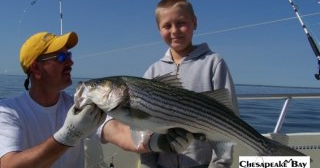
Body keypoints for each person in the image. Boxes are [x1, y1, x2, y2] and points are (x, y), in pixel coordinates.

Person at [0, 31, 194, 168]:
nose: (70, 61)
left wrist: (157, 143)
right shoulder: (8, 111)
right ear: (35, 69)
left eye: (69, 54)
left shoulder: (80, 107)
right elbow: (8, 165)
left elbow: (117, 131)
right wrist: (68, 136)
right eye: (60, 57)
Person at [140, 0, 239, 168]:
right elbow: (143, 129)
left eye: (181, 23)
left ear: (194, 22)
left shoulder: (213, 63)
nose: (174, 31)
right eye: (167, 26)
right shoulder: (152, 71)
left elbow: (229, 121)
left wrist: (220, 165)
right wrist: (149, 165)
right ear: (158, 29)